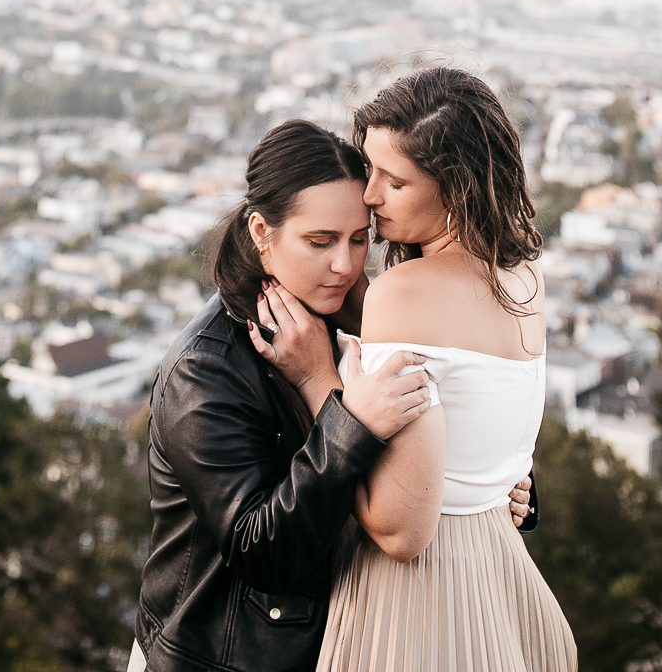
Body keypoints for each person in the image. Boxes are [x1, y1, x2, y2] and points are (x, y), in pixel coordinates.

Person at [132, 117, 533, 672]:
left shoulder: (362, 312)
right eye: (319, 242)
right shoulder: (206, 369)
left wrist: (500, 489)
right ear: (261, 233)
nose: (344, 265)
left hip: (339, 641)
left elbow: (431, 439)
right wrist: (349, 421)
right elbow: (261, 551)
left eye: (358, 239)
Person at [316, 65, 576, 672]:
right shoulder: (527, 278)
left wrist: (314, 382)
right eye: (368, 170)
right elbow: (490, 448)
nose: (370, 195)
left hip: (416, 599)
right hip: (500, 574)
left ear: (455, 190)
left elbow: (398, 528)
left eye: (394, 181)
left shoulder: (402, 295)